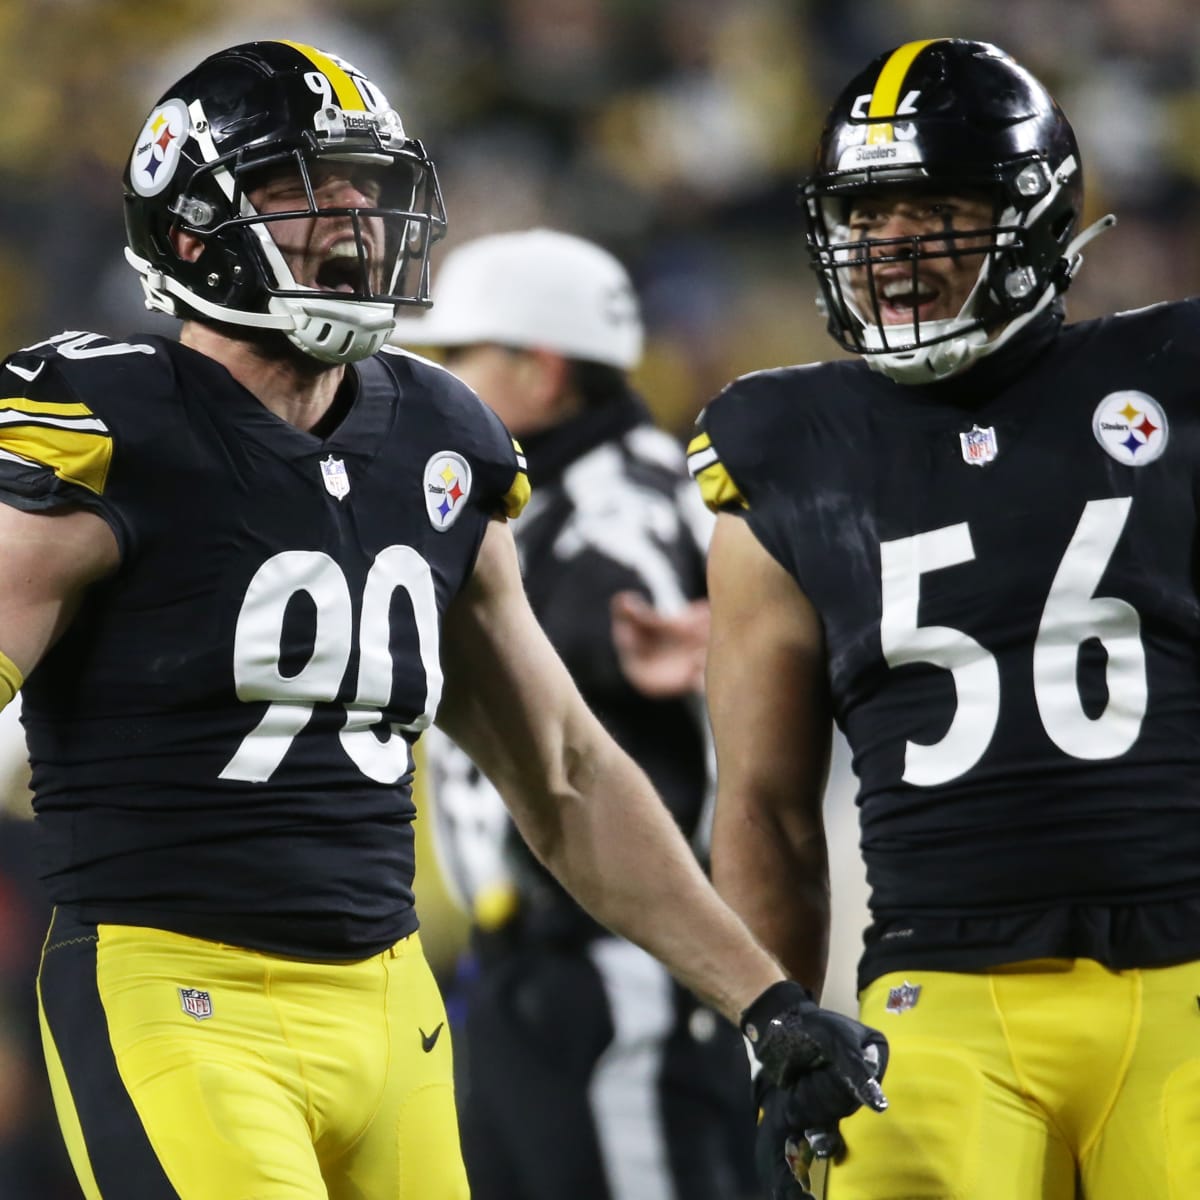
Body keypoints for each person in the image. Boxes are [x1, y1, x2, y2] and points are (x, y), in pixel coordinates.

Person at [0, 39, 885, 1200]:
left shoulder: (439, 435)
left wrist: (763, 1002)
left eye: (365, 185)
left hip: (394, 1005)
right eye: (302, 187)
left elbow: (563, 773)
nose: (354, 217)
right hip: (176, 993)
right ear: (191, 225)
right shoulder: (104, 428)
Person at [689, 34, 1200, 1200]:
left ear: (1030, 217)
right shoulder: (781, 445)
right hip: (943, 993)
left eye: (935, 207)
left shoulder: (1175, 376)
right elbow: (766, 805)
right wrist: (775, 1026)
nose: (893, 245)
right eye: (867, 216)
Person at [393, 227, 755, 1200]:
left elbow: (627, 618)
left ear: (540, 368)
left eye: (460, 356)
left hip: (616, 963)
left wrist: (616, 643)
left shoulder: (615, 501)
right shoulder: (545, 493)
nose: (443, 380)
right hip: (540, 965)